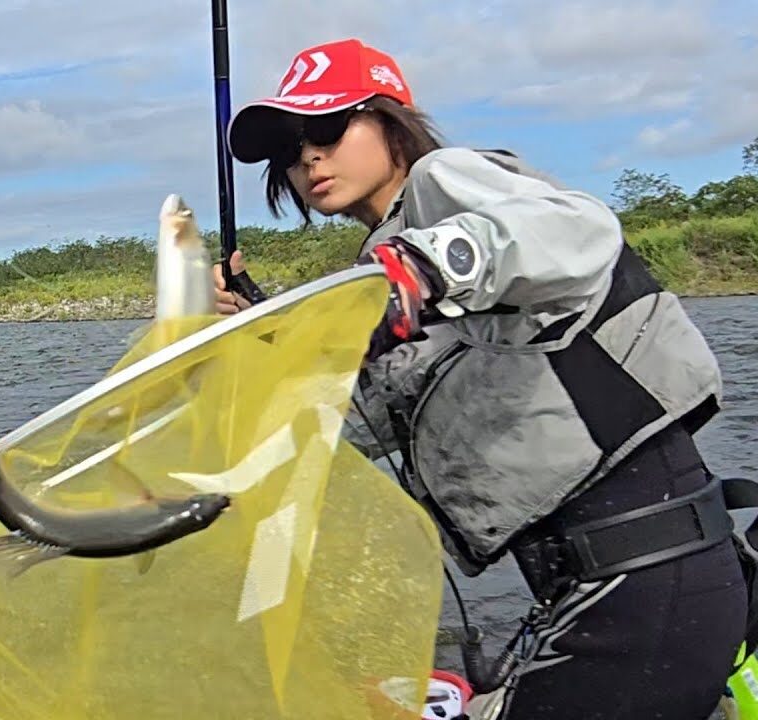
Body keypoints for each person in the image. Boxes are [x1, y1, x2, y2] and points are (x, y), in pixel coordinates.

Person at [215, 37, 748, 719]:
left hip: (644, 583)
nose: (309, 158)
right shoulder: (382, 278)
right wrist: (265, 333)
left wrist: (419, 271)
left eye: (328, 127)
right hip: (597, 592)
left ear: (392, 121)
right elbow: (344, 427)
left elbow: (577, 230)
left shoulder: (445, 184)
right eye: (290, 149)